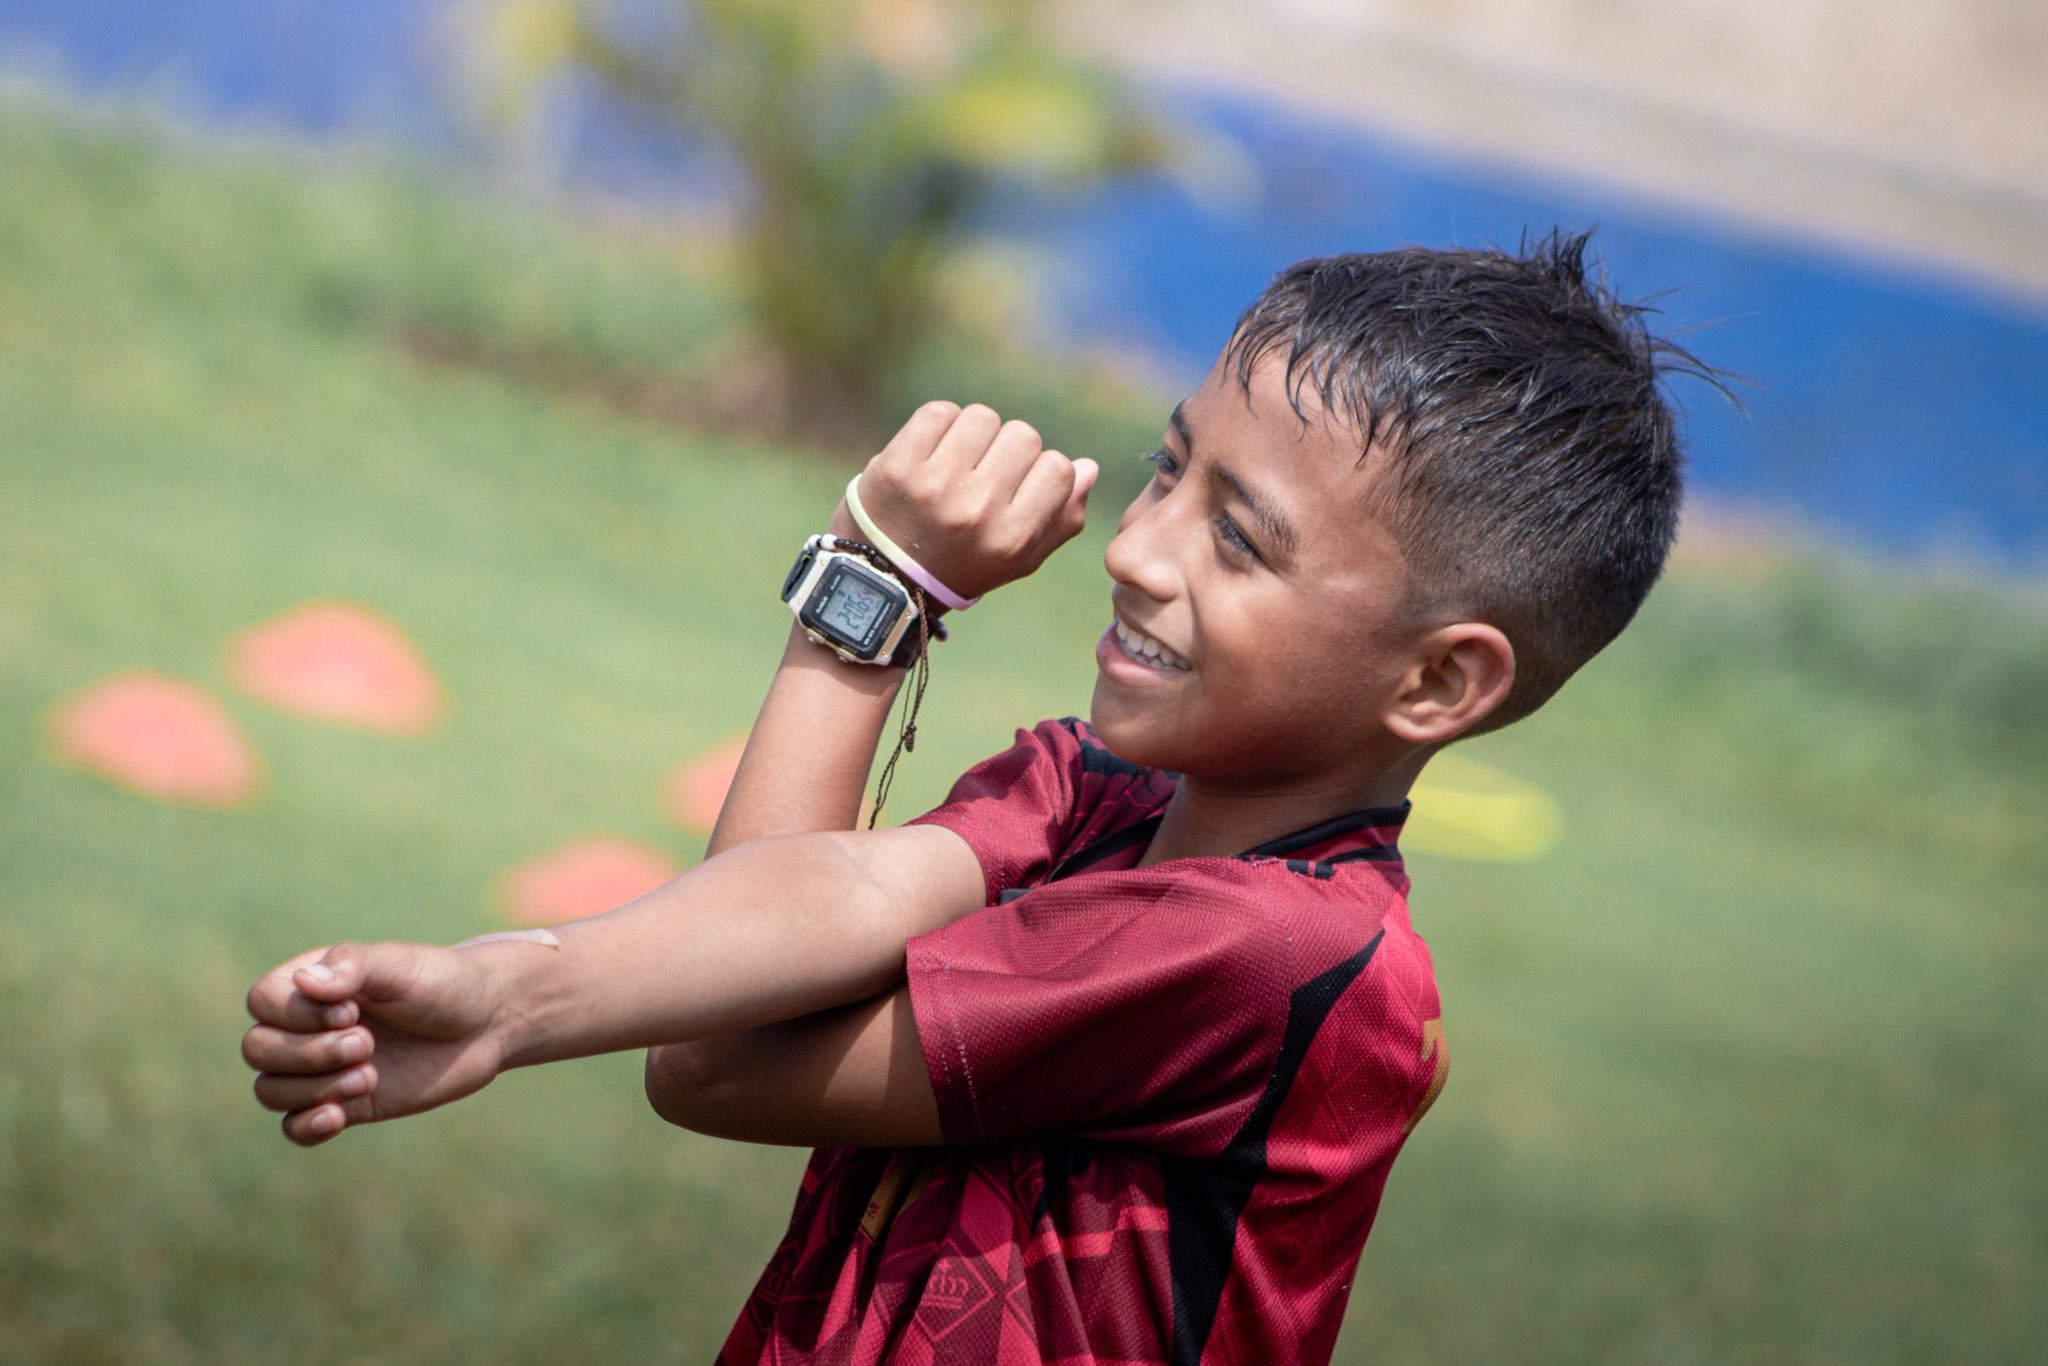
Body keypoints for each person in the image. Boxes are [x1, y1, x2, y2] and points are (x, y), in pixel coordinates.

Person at [241, 232, 1708, 1363]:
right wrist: (877, 575)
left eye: (1239, 542)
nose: (1135, 549)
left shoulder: (1287, 959)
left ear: (1440, 681)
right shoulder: (1094, 787)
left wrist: (518, 1008)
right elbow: (820, 897)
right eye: (1168, 471)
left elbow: (717, 1060)